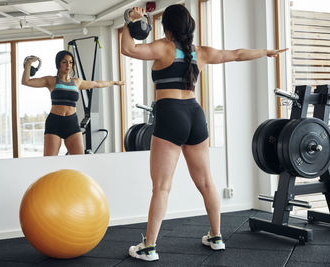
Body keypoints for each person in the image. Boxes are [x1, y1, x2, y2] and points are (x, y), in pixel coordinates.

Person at [121, 4, 287, 261]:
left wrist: (128, 21)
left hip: (170, 114)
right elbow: (237, 53)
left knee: (162, 187)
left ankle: (149, 247)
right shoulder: (200, 52)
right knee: (207, 181)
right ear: (189, 26)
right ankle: (216, 236)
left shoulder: (163, 47)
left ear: (167, 27)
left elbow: (128, 48)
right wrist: (266, 52)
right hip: (195, 114)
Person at [22, 50, 124, 156]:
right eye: (64, 62)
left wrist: (114, 82)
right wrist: (28, 64)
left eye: (71, 62)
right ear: (58, 64)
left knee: (79, 159)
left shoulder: (77, 82)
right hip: (54, 123)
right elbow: (26, 81)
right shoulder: (51, 80)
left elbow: (96, 84)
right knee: (49, 161)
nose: (68, 65)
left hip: (71, 122)